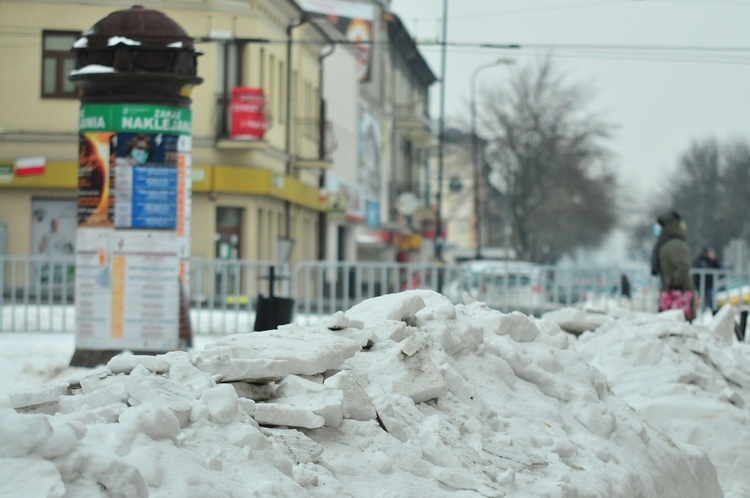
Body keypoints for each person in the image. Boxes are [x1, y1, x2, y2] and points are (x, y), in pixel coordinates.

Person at [651, 211, 695, 321]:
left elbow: (683, 266)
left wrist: (672, 283)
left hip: (677, 294)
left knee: (677, 327)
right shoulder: (668, 243)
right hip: (674, 293)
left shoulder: (674, 245)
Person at [693, 246, 721, 313]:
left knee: (712, 301)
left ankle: (714, 313)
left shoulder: (711, 260)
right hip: (701, 284)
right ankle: (702, 315)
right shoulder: (699, 260)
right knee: (702, 301)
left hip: (709, 284)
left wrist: (713, 259)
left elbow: (718, 267)